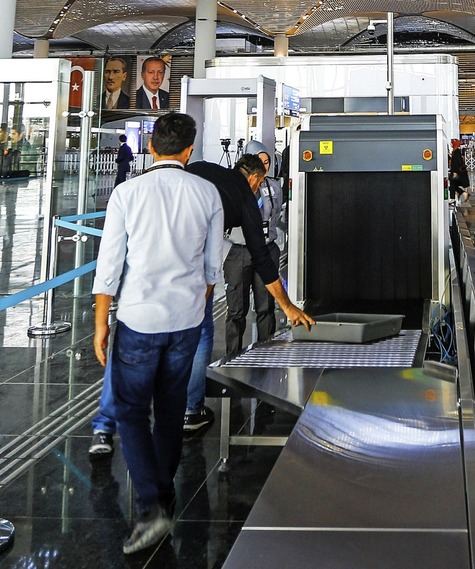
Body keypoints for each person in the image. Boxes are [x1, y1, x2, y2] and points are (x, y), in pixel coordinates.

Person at [88, 146, 315, 449]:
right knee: (201, 333)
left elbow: (110, 258)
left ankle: (104, 427)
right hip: (187, 273)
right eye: (259, 182)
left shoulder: (192, 173)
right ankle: (190, 410)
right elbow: (260, 256)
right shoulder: (243, 196)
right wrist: (287, 306)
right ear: (255, 179)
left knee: (129, 347)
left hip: (144, 272)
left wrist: (101, 317)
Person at [92, 112, 224, 554]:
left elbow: (109, 265)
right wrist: (194, 299)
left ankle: (152, 506)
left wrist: (100, 323)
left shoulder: (128, 193)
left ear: (152, 147)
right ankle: (163, 492)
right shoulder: (207, 193)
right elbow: (211, 268)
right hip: (185, 320)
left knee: (130, 410)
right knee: (169, 410)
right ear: (189, 150)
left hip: (138, 319)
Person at [223, 140, 283, 355]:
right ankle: (232, 356)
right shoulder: (234, 186)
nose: (265, 166)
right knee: (236, 309)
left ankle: (266, 353)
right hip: (240, 250)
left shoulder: (274, 186)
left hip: (266, 248)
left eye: (267, 162)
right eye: (260, 162)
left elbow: (275, 215)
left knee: (266, 306)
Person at [448, 139, 470, 203]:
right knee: (453, 184)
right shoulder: (455, 151)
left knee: (452, 184)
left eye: (451, 143)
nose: (450, 144)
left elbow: (457, 163)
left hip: (456, 171)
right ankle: (462, 194)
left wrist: (455, 172)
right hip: (456, 171)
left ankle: (454, 198)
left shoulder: (456, 152)